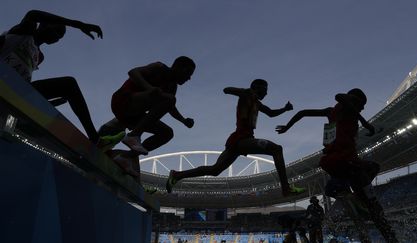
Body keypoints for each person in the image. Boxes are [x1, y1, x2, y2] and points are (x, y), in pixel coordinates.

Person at [276, 88, 399, 243]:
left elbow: (303, 113)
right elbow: (339, 96)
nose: (362, 108)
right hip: (348, 162)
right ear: (354, 101)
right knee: (374, 183)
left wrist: (288, 126)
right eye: (362, 105)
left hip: (333, 163)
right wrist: (365, 122)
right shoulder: (347, 107)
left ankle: (352, 200)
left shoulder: (331, 112)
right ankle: (389, 236)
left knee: (348, 195)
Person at [0, 10, 123, 150]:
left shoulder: (39, 56)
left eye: (60, 36)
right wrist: (77, 24)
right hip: (3, 79)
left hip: (15, 91)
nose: (58, 38)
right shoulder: (24, 32)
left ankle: (95, 139)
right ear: (43, 25)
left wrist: (45, 102)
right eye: (57, 31)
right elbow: (33, 13)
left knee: (69, 85)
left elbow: (24, 82)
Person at [165, 79, 305, 196]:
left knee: (215, 170)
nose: (267, 92)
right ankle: (286, 188)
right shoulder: (247, 94)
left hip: (237, 141)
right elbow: (227, 89)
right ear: (257, 87)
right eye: (265, 89)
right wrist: (244, 91)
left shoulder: (257, 103)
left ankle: (177, 175)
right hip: (242, 139)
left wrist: (285, 109)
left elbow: (271, 113)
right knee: (276, 149)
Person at [107, 56, 196, 176]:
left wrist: (183, 120)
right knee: (167, 98)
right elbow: (133, 72)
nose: (189, 78)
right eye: (188, 73)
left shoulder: (172, 87)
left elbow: (171, 107)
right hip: (123, 101)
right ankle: (134, 135)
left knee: (167, 133)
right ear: (178, 67)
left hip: (134, 116)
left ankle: (126, 157)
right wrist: (150, 89)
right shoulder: (159, 68)